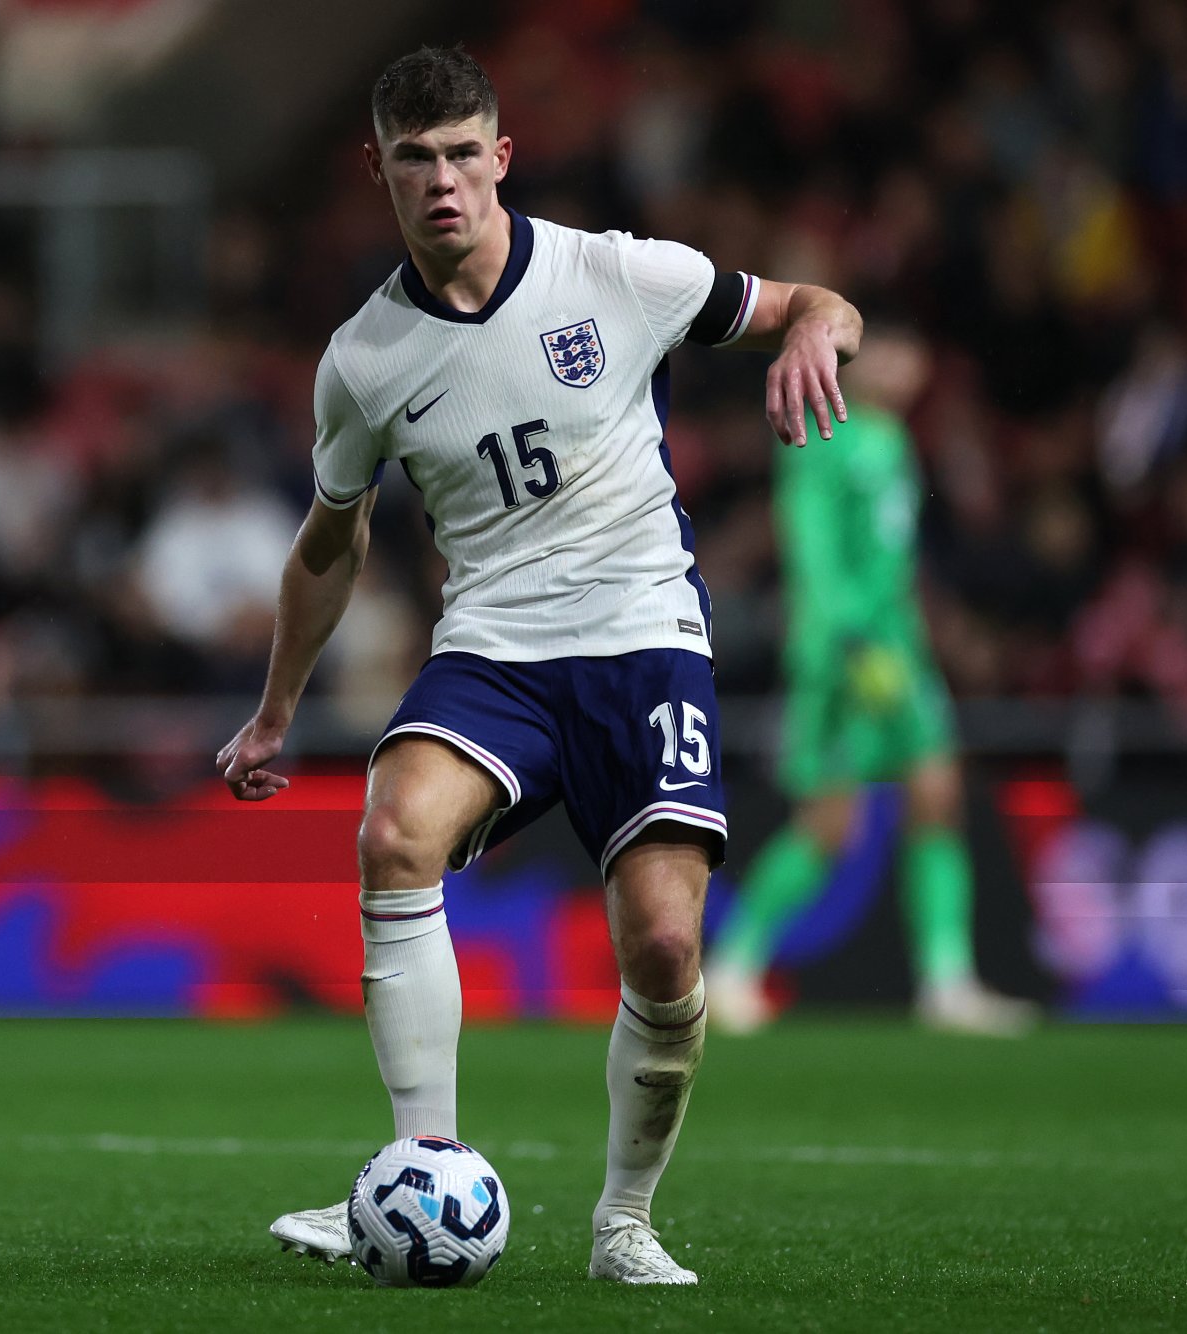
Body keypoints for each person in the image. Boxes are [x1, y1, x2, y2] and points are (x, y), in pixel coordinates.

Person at [216, 46, 860, 1286]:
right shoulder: (363, 358)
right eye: (414, 159)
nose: (442, 181)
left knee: (663, 948)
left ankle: (622, 1222)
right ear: (376, 172)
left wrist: (812, 337)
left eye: (463, 153)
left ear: (501, 156)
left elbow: (814, 302)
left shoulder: (614, 273)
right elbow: (329, 542)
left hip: (642, 640)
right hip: (495, 652)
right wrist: (275, 707)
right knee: (393, 830)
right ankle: (419, 1170)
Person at [706, 325, 1037, 1037]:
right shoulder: (822, 434)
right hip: (843, 655)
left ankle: (946, 982)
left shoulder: (893, 441)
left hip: (897, 652)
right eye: (886, 352)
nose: (904, 367)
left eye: (911, 355)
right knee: (830, 824)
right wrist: (844, 640)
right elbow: (811, 547)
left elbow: (893, 560)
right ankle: (732, 967)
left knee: (938, 794)